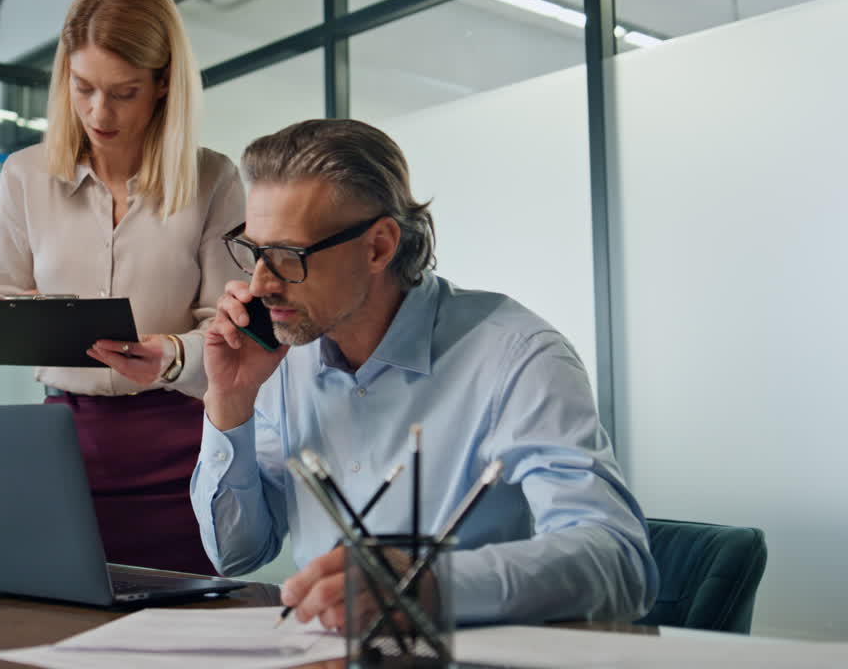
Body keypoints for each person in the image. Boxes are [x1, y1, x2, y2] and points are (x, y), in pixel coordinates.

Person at [190, 119, 658, 627]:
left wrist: (427, 586)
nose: (261, 283)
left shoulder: (516, 355)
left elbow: (618, 562)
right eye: (254, 251)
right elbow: (236, 557)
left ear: (379, 246)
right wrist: (229, 404)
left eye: (288, 256)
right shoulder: (284, 356)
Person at [0, 0, 245, 575]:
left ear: (164, 84)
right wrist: (32, 323)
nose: (98, 112)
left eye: (124, 92)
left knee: (178, 640)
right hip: (64, 447)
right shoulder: (24, 175)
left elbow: (233, 330)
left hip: (182, 452)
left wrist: (169, 354)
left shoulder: (214, 179)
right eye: (83, 87)